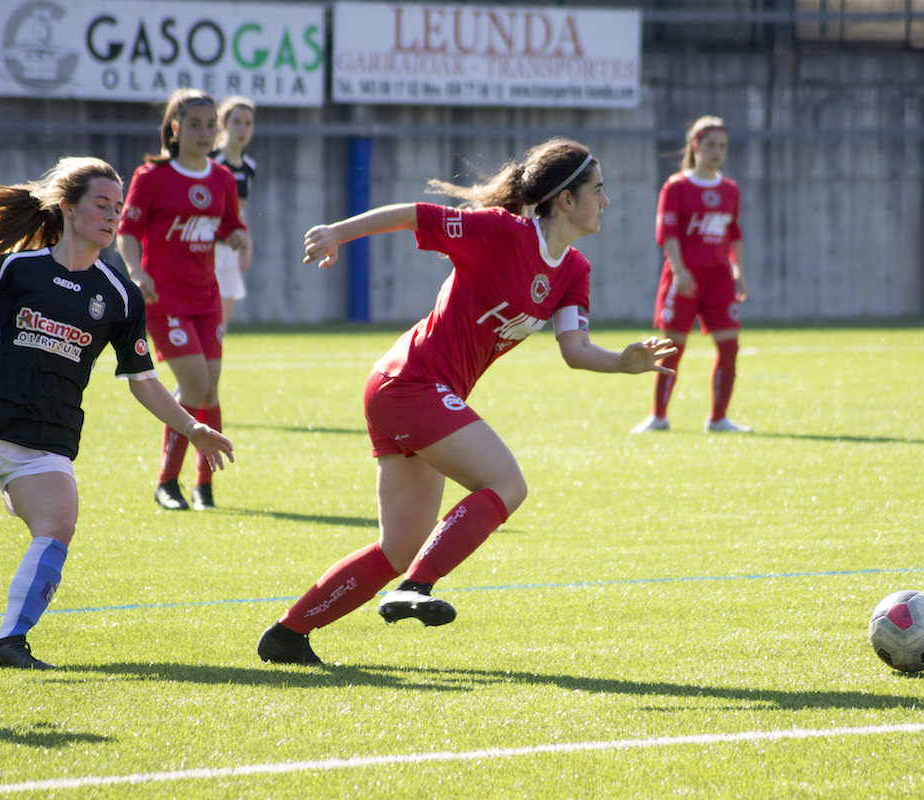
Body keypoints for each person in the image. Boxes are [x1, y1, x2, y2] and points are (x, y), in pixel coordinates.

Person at [256, 138, 676, 665]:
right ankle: (416, 589)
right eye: (599, 190)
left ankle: (288, 635)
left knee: (399, 547)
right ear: (566, 200)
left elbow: (575, 349)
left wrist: (623, 362)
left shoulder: (573, 271)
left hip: (419, 394)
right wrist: (338, 233)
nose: (606, 201)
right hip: (408, 383)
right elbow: (415, 215)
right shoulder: (501, 232)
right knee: (507, 484)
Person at [0, 157, 234, 669]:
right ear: (68, 208)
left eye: (118, 207)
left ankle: (8, 644)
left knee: (58, 523)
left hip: (46, 441)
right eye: (101, 204)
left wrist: (192, 427)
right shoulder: (16, 270)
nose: (113, 215)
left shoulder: (120, 295)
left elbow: (144, 381)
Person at [116, 89, 249, 511]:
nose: (205, 133)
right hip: (164, 297)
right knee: (195, 383)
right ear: (175, 129)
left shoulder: (222, 178)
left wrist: (238, 237)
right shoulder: (151, 177)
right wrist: (136, 272)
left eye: (211, 126)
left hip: (207, 297)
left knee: (210, 389)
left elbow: (231, 224)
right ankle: (167, 483)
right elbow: (127, 231)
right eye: (195, 125)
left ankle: (203, 486)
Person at [631, 115, 751, 434]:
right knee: (672, 348)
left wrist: (738, 273)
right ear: (695, 146)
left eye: (722, 146)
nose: (717, 151)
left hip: (719, 280)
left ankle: (718, 419)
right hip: (684, 277)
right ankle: (658, 416)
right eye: (711, 144)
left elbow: (734, 234)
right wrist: (679, 271)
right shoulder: (677, 186)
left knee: (730, 347)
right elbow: (668, 233)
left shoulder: (729, 189)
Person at [209, 96, 257, 332]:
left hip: (230, 247)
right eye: (236, 122)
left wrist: (247, 244)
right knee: (208, 312)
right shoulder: (210, 161)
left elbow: (240, 210)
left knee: (222, 324)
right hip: (206, 246)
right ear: (223, 124)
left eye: (248, 123)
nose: (242, 129)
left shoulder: (249, 167)